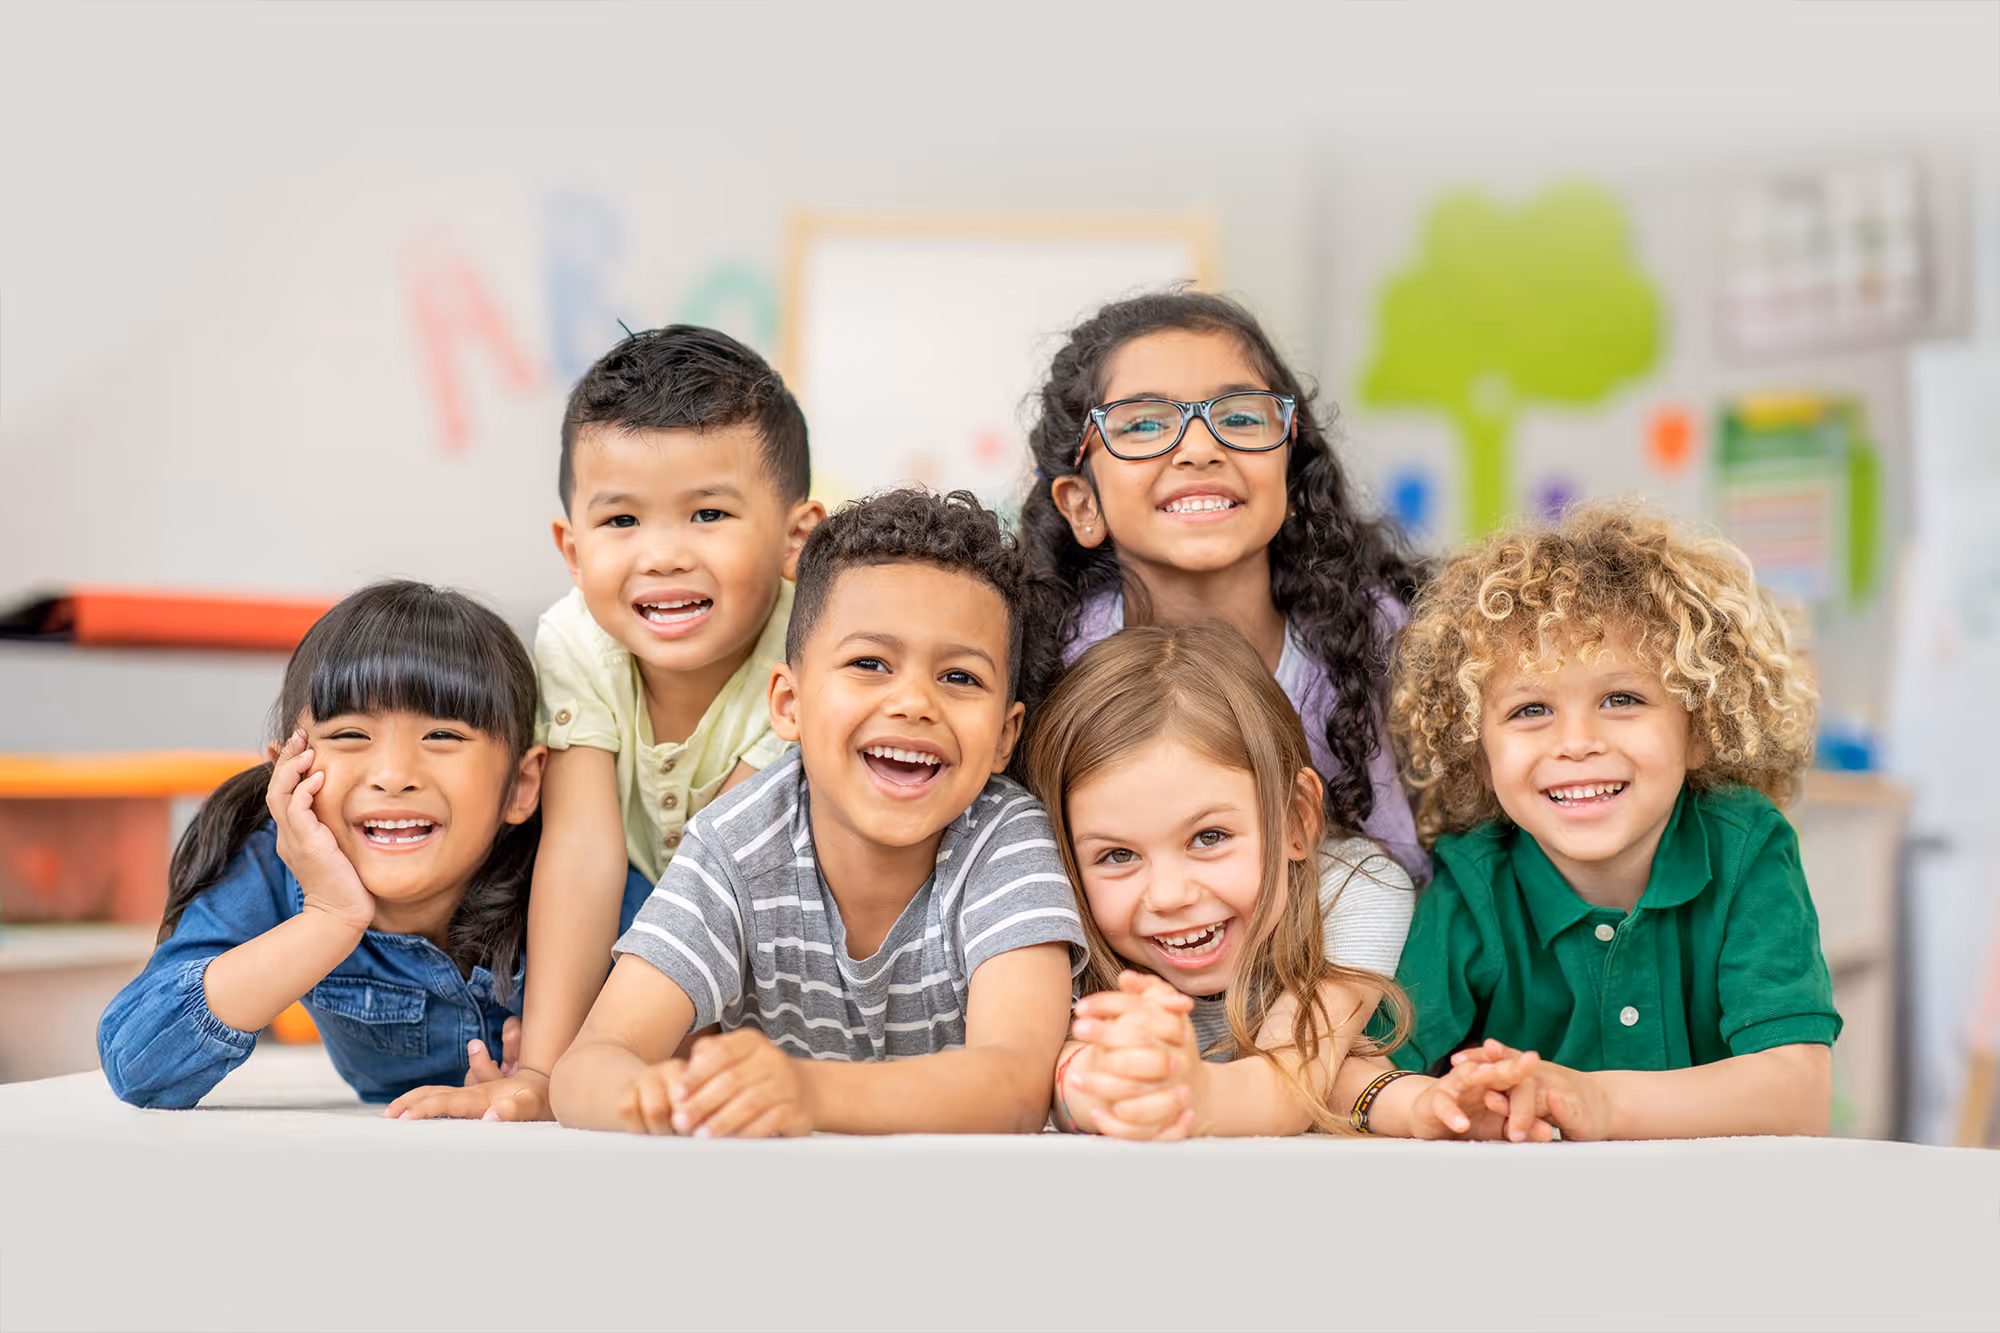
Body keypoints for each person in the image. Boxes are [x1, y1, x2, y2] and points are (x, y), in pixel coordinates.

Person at [550, 488, 1087, 1136]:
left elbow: (1015, 1088)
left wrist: (804, 1090)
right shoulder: (735, 845)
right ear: (789, 703)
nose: (914, 701)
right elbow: (587, 1066)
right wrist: (660, 1094)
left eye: (959, 677)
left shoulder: (1004, 841)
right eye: (869, 663)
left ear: (1005, 736)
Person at [408, 327, 825, 1122]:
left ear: (794, 538)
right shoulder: (577, 638)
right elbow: (582, 853)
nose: (662, 555)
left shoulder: (806, 645)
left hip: (769, 908)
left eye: (707, 513)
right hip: (627, 909)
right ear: (571, 546)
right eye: (621, 521)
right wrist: (543, 1070)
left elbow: (725, 867)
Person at [1351, 501, 1838, 1141]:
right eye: (1530, 709)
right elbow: (1355, 1069)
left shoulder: (1747, 847)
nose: (1575, 742)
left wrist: (1597, 1104)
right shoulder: (1477, 883)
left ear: (1701, 730)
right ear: (1479, 752)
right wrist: (1431, 1107)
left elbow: (1798, 1093)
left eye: (1622, 699)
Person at [1018, 290, 1425, 988]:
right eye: (1143, 425)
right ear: (1082, 505)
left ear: (1291, 475)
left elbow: (1426, 871)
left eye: (1239, 417)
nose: (1200, 448)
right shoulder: (1046, 657)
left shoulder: (1387, 642)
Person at [1024, 621, 1529, 1138]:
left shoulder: (1355, 889)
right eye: (1117, 855)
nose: (1170, 896)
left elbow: (1290, 1088)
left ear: (1296, 820)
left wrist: (1184, 1091)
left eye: (1209, 837)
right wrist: (1110, 1083)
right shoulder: (1055, 914)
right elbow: (1048, 1090)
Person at [98, 582, 545, 1109]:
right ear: (285, 772)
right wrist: (329, 917)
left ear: (521, 785)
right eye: (350, 735)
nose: (394, 775)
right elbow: (137, 1064)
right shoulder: (271, 864)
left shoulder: (567, 865)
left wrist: (556, 1073)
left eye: (443, 736)